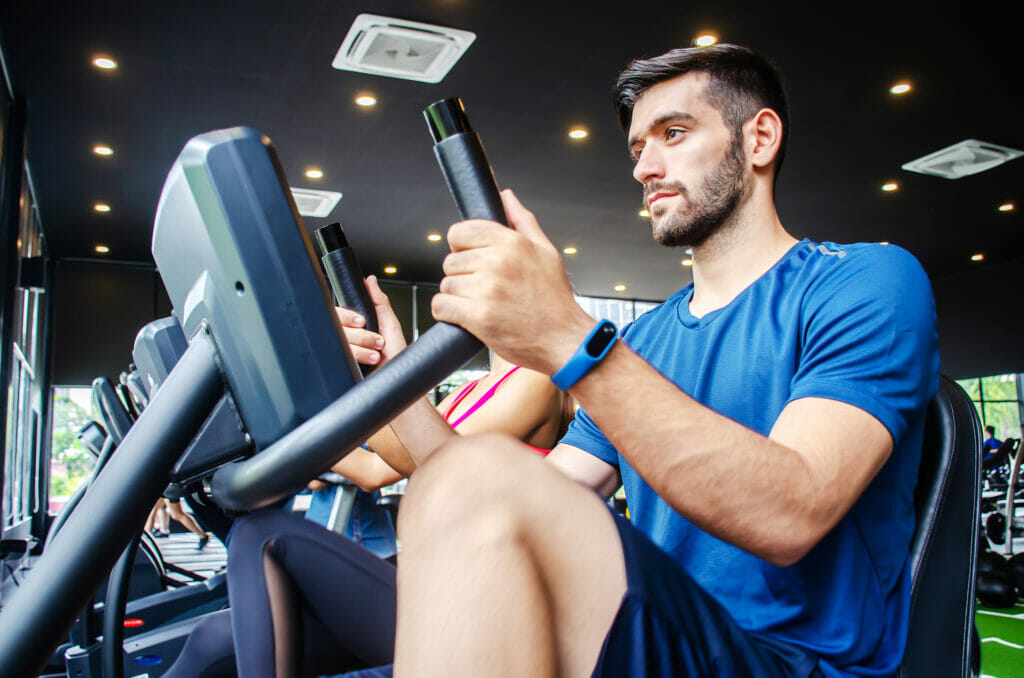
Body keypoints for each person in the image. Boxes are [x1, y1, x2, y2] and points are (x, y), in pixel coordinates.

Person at [384, 43, 939, 678]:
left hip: (787, 663)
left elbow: (792, 514)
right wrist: (391, 380)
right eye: (637, 149)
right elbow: (500, 499)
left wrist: (569, 336)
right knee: (280, 546)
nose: (645, 167)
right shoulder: (643, 342)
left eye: (673, 133)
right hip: (653, 643)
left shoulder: (866, 280)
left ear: (759, 139)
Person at [163, 275, 570, 677]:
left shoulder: (536, 382)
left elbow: (443, 464)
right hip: (427, 577)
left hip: (474, 606)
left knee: (262, 535)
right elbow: (376, 466)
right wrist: (295, 415)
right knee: (213, 638)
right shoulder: (472, 390)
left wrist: (315, 404)